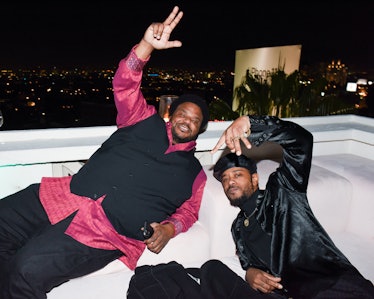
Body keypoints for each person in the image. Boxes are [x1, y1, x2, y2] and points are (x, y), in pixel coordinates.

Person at [0, 6, 209, 298]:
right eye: (183, 114)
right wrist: (147, 45)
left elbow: (187, 213)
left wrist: (169, 230)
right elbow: (125, 83)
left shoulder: (195, 174)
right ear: (172, 114)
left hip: (106, 233)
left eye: (195, 120)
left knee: (28, 268)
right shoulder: (141, 119)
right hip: (62, 197)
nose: (187, 121)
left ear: (200, 129)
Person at [211, 115, 374, 298]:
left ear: (255, 179)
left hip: (329, 284)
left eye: (237, 174)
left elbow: (301, 142)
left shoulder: (282, 191)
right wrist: (250, 273)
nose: (230, 182)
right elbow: (248, 262)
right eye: (224, 179)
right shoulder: (238, 227)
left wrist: (250, 123)